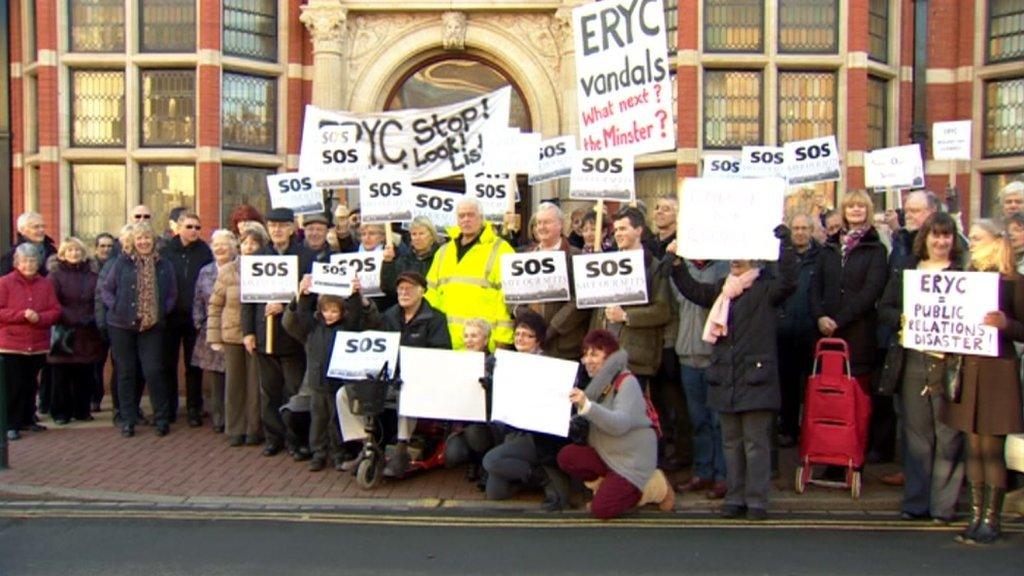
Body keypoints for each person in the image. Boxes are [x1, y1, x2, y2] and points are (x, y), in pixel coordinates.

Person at [668, 226, 797, 520]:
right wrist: (676, 263)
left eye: (744, 255)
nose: (737, 260)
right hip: (725, 377)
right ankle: (735, 496)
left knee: (755, 444)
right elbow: (694, 290)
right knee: (732, 443)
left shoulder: (767, 288)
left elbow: (790, 280)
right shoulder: (722, 290)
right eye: (735, 256)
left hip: (755, 378)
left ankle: (757, 500)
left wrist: (784, 243)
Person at [877, 213, 965, 523]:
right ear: (925, 238)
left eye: (947, 236)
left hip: (950, 363)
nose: (941, 241)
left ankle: (944, 506)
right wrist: (904, 320)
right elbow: (884, 308)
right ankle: (916, 503)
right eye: (936, 235)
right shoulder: (906, 270)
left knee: (949, 435)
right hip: (912, 359)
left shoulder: (964, 272)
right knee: (917, 437)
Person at [943, 219, 1024, 544]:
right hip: (969, 371)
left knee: (992, 449)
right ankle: (977, 515)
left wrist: (1007, 324)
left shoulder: (1013, 282)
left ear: (994, 241)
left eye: (977, 238)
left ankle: (992, 518)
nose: (971, 243)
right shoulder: (967, 279)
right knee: (973, 447)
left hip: (997, 374)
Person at [557, 329, 672, 519]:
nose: (587, 360)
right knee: (567, 456)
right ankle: (609, 484)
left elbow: (620, 424)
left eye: (594, 354)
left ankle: (656, 486)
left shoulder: (627, 383)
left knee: (602, 510)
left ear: (610, 356)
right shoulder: (597, 381)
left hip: (631, 460)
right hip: (607, 453)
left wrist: (587, 405)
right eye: (585, 354)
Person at [811, 190, 888, 460]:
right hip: (826, 336)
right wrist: (820, 316)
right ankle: (830, 453)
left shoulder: (876, 249)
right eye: (850, 206)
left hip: (858, 335)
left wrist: (839, 320)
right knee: (829, 398)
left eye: (860, 206)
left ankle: (854, 455)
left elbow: (871, 291)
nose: (855, 210)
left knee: (856, 400)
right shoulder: (829, 248)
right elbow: (815, 286)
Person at [285, 278, 377, 472]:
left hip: (336, 384)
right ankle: (318, 453)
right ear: (320, 311)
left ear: (341, 312)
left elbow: (355, 316)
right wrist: (304, 295)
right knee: (318, 421)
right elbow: (302, 314)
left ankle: (338, 454)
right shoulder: (313, 328)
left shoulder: (346, 329)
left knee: (336, 422)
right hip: (317, 385)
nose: (330, 315)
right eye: (326, 310)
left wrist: (353, 294)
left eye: (334, 311)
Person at [481, 311, 569, 505]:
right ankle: (528, 477)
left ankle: (542, 477)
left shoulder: (549, 365)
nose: (520, 338)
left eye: (527, 335)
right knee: (495, 492)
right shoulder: (505, 363)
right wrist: (491, 383)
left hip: (537, 437)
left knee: (491, 461)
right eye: (518, 334)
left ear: (538, 340)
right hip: (513, 433)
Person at [242, 208, 309, 460]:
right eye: (272, 226)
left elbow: (309, 298)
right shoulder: (258, 256)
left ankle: (296, 440)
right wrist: (248, 331)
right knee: (269, 391)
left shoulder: (303, 257)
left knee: (294, 392)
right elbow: (246, 300)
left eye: (282, 226)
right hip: (263, 336)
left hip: (291, 336)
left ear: (292, 228)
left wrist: (286, 305)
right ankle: (273, 438)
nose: (277, 230)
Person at [100, 222, 177, 438]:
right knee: (126, 373)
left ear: (153, 241)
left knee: (153, 370)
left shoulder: (164, 265)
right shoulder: (121, 264)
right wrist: (116, 307)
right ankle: (128, 419)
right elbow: (106, 291)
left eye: (147, 238)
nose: (143, 242)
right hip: (121, 325)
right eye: (139, 239)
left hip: (152, 326)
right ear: (133, 242)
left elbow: (171, 294)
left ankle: (161, 418)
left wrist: (160, 311)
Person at [588, 207, 670, 390]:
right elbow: (598, 310)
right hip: (605, 356)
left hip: (635, 357)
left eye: (623, 229)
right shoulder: (606, 265)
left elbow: (662, 311)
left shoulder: (653, 267)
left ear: (639, 230)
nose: (618, 234)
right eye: (616, 230)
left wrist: (625, 316)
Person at [669, 248, 730, 498]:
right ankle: (702, 471)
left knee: (718, 422)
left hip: (714, 355)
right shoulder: (680, 268)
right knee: (698, 421)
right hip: (687, 354)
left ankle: (722, 475)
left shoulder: (723, 269)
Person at [378, 271, 451, 477]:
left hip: (420, 380)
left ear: (422, 291)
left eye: (409, 289)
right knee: (346, 395)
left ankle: (401, 449)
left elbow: (441, 353)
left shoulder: (436, 318)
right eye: (400, 289)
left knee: (407, 392)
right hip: (389, 377)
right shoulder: (389, 316)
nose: (403, 292)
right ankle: (367, 446)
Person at [425, 198, 515, 350]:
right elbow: (431, 297)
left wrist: (502, 341)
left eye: (471, 215)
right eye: (461, 216)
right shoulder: (443, 252)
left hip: (483, 346)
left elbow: (506, 301)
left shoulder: (501, 250)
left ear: (481, 218)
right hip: (444, 343)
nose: (466, 219)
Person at [209, 225, 267, 447]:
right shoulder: (228, 271)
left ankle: (254, 428)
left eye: (254, 243)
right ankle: (235, 428)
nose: (249, 247)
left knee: (255, 384)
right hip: (232, 333)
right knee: (234, 384)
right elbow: (215, 305)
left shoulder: (268, 268)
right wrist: (214, 337)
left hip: (257, 334)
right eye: (245, 242)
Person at [0, 244, 61, 440]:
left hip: (37, 344)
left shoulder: (45, 284)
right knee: (13, 386)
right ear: (17, 262)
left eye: (32, 261)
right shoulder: (4, 283)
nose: (29, 264)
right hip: (11, 344)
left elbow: (55, 310)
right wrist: (21, 315)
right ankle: (10, 423)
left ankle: (27, 419)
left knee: (30, 384)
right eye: (25, 261)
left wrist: (40, 318)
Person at [516, 203, 591, 361]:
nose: (542, 227)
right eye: (539, 223)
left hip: (563, 346)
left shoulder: (576, 256)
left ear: (560, 225)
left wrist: (552, 328)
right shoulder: (525, 256)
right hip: (529, 347)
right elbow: (513, 293)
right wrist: (522, 316)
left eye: (547, 222)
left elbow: (580, 299)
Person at [160, 212, 213, 427]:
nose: (194, 231)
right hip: (171, 316)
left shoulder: (204, 252)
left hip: (195, 316)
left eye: (197, 227)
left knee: (194, 365)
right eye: (190, 227)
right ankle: (170, 407)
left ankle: (194, 408)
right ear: (179, 228)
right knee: (168, 364)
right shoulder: (165, 252)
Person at [46, 238, 103, 425]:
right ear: (62, 253)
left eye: (77, 250)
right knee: (62, 373)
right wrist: (70, 317)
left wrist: (93, 317)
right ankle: (60, 412)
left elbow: (99, 298)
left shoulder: (93, 275)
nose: (74, 254)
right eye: (70, 250)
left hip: (88, 330)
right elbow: (51, 301)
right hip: (64, 331)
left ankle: (82, 410)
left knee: (84, 371)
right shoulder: (55, 276)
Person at [776, 213, 821, 447]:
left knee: (811, 387)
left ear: (812, 230)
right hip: (784, 331)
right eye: (796, 228)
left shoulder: (821, 256)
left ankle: (811, 431)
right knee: (787, 385)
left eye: (805, 227)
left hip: (811, 330)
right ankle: (789, 429)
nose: (800, 232)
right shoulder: (781, 257)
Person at [444, 318, 498, 484]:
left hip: (487, 426)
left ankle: (484, 463)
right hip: (461, 424)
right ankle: (473, 460)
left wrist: (491, 387)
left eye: (474, 336)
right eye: (466, 336)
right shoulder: (456, 362)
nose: (469, 340)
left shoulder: (495, 363)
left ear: (486, 339)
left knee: (474, 433)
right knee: (452, 456)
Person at [191, 230, 234, 434]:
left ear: (233, 247)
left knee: (234, 376)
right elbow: (198, 299)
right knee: (216, 377)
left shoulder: (240, 270)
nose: (220, 248)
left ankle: (233, 418)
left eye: (224, 244)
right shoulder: (205, 271)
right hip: (212, 330)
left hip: (234, 330)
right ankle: (219, 418)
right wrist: (200, 323)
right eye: (216, 244)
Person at [381, 216, 441, 301]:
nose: (417, 238)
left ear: (432, 236)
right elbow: (389, 288)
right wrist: (388, 263)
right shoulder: (404, 259)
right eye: (414, 234)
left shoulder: (441, 257)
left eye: (421, 233)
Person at [90, 232, 117, 413]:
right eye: (102, 246)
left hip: (115, 322)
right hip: (95, 322)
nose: (106, 249)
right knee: (96, 364)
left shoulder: (117, 265)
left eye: (109, 246)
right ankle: (95, 398)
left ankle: (118, 402)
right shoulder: (89, 268)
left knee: (119, 364)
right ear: (96, 248)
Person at [1, 212, 58, 277]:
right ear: (22, 230)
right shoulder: (12, 255)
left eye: (43, 226)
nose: (41, 230)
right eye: (36, 227)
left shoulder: (51, 250)